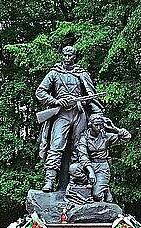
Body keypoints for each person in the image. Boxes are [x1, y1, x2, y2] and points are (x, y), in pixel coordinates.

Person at [35, 46, 103, 192]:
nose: (67, 58)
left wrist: (98, 114)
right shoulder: (54, 73)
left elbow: (91, 96)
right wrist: (56, 101)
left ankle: (76, 181)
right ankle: (50, 180)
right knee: (56, 146)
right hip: (61, 114)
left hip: (79, 114)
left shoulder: (82, 74)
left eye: (70, 56)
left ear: (74, 57)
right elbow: (40, 92)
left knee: (80, 148)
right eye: (65, 55)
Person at [74, 114, 131, 202]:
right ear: (90, 124)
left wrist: (114, 128)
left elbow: (126, 137)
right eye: (96, 125)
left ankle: (105, 190)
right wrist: (91, 171)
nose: (99, 127)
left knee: (97, 196)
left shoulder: (106, 136)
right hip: (90, 165)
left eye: (101, 124)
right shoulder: (84, 138)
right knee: (73, 169)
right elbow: (83, 156)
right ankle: (90, 183)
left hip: (102, 166)